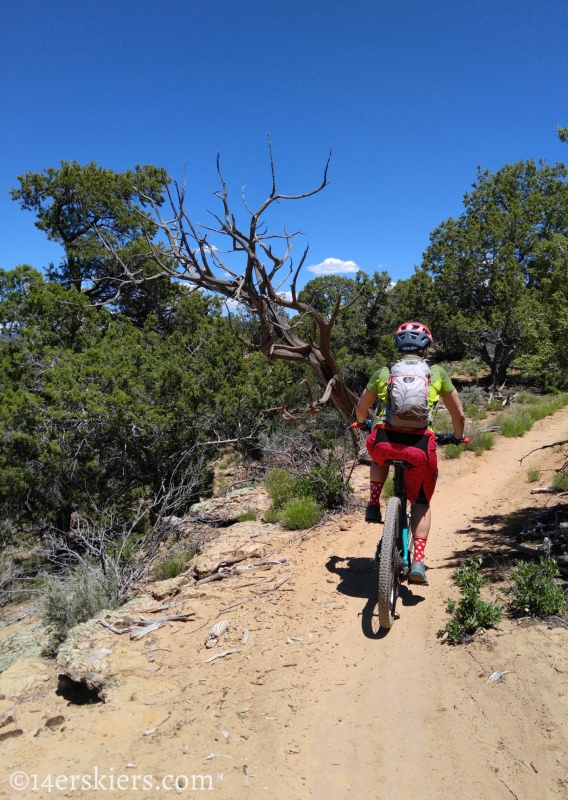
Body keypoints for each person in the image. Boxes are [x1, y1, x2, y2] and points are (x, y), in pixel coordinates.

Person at [353, 321, 465, 585]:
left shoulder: (385, 371)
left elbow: (361, 408)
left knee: (377, 454)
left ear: (398, 346)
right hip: (420, 448)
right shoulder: (437, 373)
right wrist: (457, 437)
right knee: (421, 503)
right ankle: (418, 561)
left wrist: (361, 422)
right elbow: (458, 415)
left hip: (384, 441)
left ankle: (373, 503)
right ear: (426, 347)